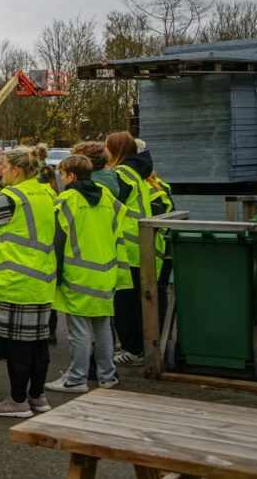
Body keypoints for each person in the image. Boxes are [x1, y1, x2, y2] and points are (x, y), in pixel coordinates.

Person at [0, 145, 56, 419]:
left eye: (3, 167)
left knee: (18, 347)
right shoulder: (45, 192)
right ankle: (37, 396)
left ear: (17, 170)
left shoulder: (11, 197)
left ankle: (17, 401)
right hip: (39, 278)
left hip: (12, 279)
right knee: (37, 344)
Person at [45, 155, 123, 393]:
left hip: (77, 272)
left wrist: (54, 274)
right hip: (105, 270)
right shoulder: (107, 196)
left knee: (78, 330)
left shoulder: (67, 200)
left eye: (62, 174)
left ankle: (76, 378)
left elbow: (58, 240)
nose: (61, 179)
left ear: (71, 176)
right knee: (102, 327)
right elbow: (116, 225)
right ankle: (107, 376)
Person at [104, 132, 170, 367]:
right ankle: (141, 345)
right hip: (141, 246)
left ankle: (133, 349)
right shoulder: (138, 173)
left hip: (127, 247)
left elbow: (107, 205)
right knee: (138, 301)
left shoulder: (121, 174)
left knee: (124, 303)